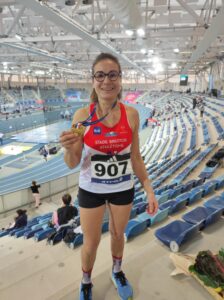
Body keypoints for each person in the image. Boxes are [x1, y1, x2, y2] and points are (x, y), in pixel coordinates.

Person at [59, 53, 158, 300]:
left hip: (122, 188)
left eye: (112, 75)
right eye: (100, 75)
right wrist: (69, 147)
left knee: (117, 235)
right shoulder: (82, 117)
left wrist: (149, 188)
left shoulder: (132, 115)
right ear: (93, 80)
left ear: (120, 79)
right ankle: (86, 280)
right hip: (91, 189)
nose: (107, 81)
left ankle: (117, 270)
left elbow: (136, 157)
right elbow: (72, 163)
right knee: (91, 244)